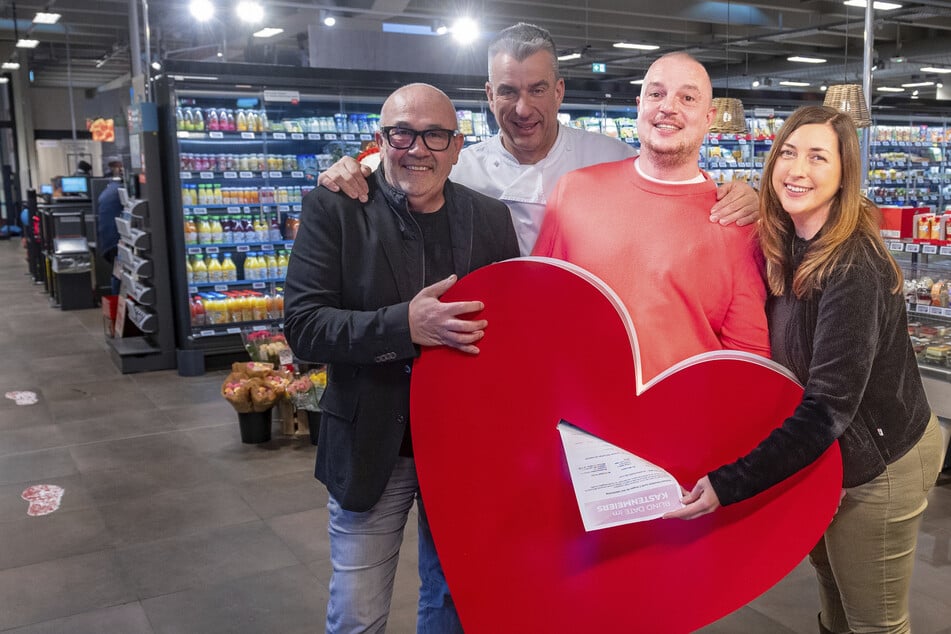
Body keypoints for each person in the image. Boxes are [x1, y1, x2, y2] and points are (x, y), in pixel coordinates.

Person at [665, 105, 944, 634]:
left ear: (844, 175)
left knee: (875, 622)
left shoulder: (852, 265)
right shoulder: (787, 243)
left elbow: (828, 407)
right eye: (788, 153)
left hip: (881, 461)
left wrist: (730, 483)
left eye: (818, 158)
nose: (798, 170)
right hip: (828, 455)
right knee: (835, 600)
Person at [283, 83, 519, 633]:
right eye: (402, 134)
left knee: (453, 604)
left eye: (434, 135)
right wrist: (404, 326)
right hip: (371, 447)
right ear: (380, 139)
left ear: (457, 146)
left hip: (463, 450)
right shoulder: (336, 208)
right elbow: (304, 326)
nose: (418, 149)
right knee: (357, 613)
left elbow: (509, 331)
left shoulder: (490, 218)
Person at [318, 23, 760, 256]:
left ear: (559, 92)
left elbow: (675, 192)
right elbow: (392, 175)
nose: (523, 108)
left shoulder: (611, 157)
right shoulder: (454, 167)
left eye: (537, 90)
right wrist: (351, 171)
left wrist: (745, 197)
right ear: (489, 95)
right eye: (508, 91)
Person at [532, 52, 770, 381]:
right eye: (656, 94)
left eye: (687, 98)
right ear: (639, 105)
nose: (668, 107)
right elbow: (537, 307)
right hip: (578, 406)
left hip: (684, 410)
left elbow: (747, 361)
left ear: (709, 118)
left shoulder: (737, 222)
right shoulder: (572, 191)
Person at [96, 159, 124, 294]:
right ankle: (118, 300)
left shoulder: (109, 189)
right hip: (116, 241)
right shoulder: (121, 190)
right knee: (119, 272)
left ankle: (117, 300)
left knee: (118, 272)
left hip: (108, 240)